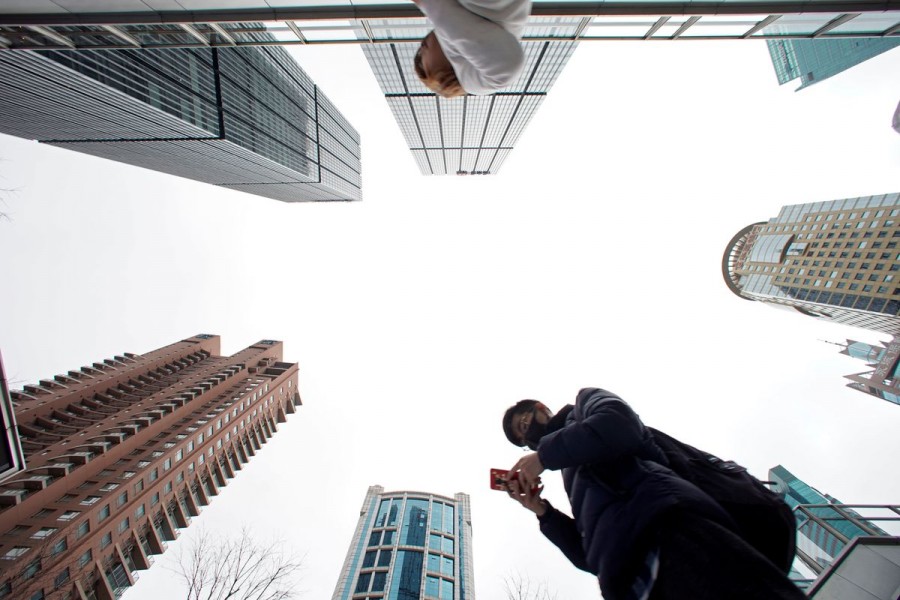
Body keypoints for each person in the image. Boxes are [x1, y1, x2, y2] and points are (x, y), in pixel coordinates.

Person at [502, 388, 807, 600]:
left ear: (542, 408)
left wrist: (544, 457)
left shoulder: (584, 406)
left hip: (670, 534)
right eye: (523, 440)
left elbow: (620, 424)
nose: (528, 437)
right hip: (630, 582)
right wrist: (543, 511)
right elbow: (590, 555)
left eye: (525, 424)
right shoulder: (571, 472)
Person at [411, 0, 531, 97]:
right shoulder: (470, 80)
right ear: (443, 79)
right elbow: (505, 68)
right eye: (423, 66)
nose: (421, 51)